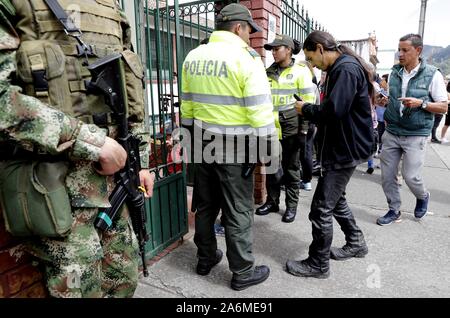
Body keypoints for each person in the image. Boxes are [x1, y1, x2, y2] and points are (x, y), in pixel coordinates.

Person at [0, 0, 153, 297]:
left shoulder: (110, 7)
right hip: (55, 188)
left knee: (124, 281)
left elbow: (128, 92)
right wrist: (91, 143)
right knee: (81, 290)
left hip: (116, 183)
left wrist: (142, 161)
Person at [180, 3, 277, 291]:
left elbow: (186, 105)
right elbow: (259, 112)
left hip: (201, 141)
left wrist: (190, 141)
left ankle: (206, 257)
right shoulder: (246, 59)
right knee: (238, 209)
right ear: (238, 28)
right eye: (249, 31)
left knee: (206, 204)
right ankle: (243, 271)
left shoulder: (193, 56)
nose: (250, 37)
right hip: (236, 147)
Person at [288, 30, 373, 279]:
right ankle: (356, 242)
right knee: (337, 201)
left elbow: (334, 110)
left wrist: (307, 109)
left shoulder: (345, 70)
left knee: (321, 208)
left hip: (345, 149)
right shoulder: (340, 68)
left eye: (311, 57)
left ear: (320, 49)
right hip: (344, 147)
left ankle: (318, 264)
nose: (312, 63)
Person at [377, 34, 448, 226]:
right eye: (399, 49)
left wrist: (421, 104)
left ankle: (423, 196)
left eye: (405, 50)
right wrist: (384, 102)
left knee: (411, 176)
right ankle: (394, 210)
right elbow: (393, 100)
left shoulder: (433, 74)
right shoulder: (394, 73)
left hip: (416, 134)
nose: (400, 54)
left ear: (418, 51)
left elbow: (443, 107)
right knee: (387, 176)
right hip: (392, 131)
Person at [255, 34, 316, 223]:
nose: (273, 52)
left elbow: (308, 103)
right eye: (272, 49)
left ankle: (291, 206)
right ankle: (272, 202)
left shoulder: (301, 71)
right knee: (272, 167)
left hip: (292, 127)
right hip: (270, 128)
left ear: (288, 50)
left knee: (291, 169)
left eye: (276, 48)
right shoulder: (267, 72)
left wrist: (304, 131)